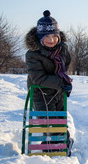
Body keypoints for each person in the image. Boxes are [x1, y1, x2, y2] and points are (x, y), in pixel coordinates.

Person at [25, 10, 74, 156]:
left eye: (54, 36)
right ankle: (53, 145)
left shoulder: (62, 49)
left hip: (58, 91)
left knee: (58, 119)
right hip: (40, 92)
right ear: (40, 38)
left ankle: (61, 143)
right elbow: (38, 78)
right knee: (47, 122)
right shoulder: (33, 54)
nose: (51, 40)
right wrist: (61, 82)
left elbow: (66, 63)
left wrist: (64, 81)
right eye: (47, 37)